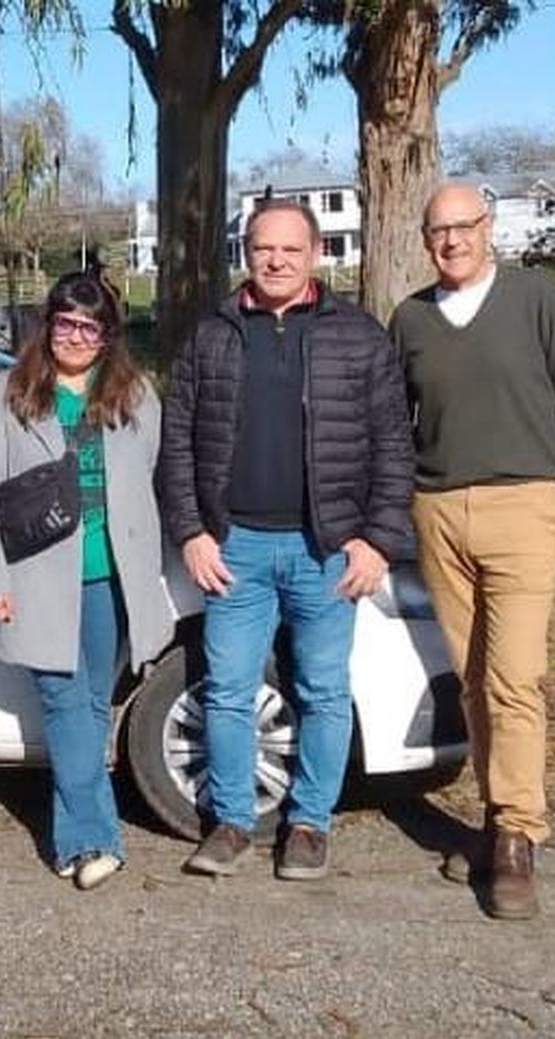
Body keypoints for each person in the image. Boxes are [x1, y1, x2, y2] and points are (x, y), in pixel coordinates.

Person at [158, 198, 415, 881]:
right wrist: (190, 531)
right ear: (245, 251)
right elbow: (176, 441)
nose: (274, 260)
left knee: (324, 689)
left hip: (326, 549)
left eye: (290, 250)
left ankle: (308, 824)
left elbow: (394, 446)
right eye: (262, 248)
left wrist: (379, 540)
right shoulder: (210, 334)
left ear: (316, 254)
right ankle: (233, 822)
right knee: (228, 689)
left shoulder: (358, 337)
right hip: (234, 545)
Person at [390, 183, 555, 921]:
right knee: (474, 677)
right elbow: (397, 423)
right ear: (425, 240)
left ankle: (519, 834)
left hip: (523, 504)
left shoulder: (535, 300)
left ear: (488, 228)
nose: (451, 241)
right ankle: (496, 816)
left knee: (514, 675)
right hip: (438, 511)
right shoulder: (412, 318)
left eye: (464, 227)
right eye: (438, 231)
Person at [0, 272, 169, 891]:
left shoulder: (136, 395)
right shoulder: (9, 393)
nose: (76, 337)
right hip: (38, 578)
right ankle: (92, 840)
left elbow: (147, 471)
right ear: (47, 323)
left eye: (90, 326)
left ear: (108, 335)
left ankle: (81, 835)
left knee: (87, 705)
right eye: (65, 323)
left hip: (110, 574)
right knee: (61, 702)